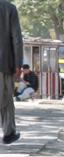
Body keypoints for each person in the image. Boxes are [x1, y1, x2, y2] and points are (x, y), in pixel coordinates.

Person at [0, 0, 23, 144]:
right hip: (4, 62)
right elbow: (16, 38)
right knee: (6, 98)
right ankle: (8, 133)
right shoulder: (9, 8)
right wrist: (18, 64)